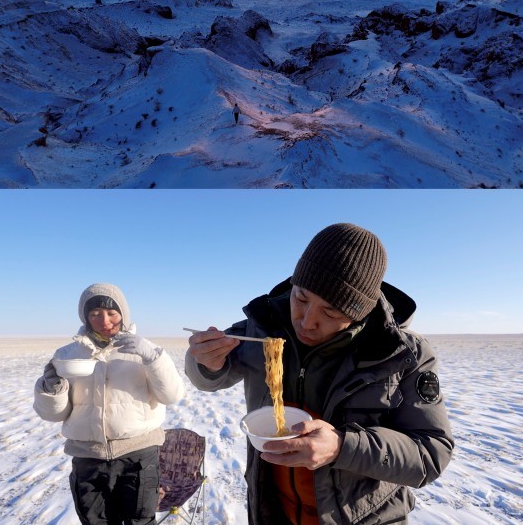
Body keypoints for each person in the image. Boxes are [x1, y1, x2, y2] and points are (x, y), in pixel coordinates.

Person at [186, 223, 453, 525]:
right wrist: (205, 361)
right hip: (272, 512)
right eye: (300, 299)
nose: (307, 321)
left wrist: (343, 446)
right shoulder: (262, 327)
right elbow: (208, 379)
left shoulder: (401, 354)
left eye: (331, 313)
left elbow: (432, 453)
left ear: (359, 314)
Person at [34, 283, 186, 525]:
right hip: (88, 458)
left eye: (111, 313)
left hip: (138, 457)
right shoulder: (66, 355)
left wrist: (154, 358)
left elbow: (172, 395)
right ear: (85, 317)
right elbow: (55, 414)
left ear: (123, 314)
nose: (104, 320)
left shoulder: (144, 350)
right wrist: (51, 389)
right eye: (94, 314)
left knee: (140, 522)